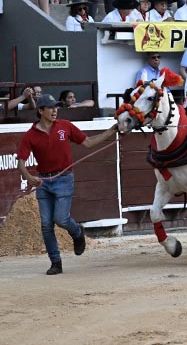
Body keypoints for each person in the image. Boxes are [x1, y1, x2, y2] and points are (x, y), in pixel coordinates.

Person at [16, 93, 118, 275]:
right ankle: (56, 262)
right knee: (46, 225)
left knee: (60, 219)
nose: (55, 110)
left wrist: (110, 131)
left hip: (63, 178)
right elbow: (21, 162)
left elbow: (87, 143)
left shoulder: (65, 126)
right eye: (50, 107)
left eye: (56, 107)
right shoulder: (30, 135)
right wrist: (29, 177)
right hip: (43, 181)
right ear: (40, 111)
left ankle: (77, 232)